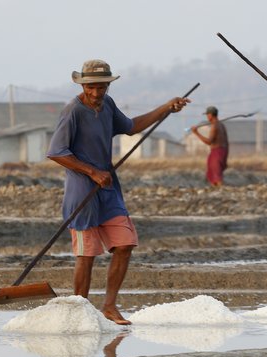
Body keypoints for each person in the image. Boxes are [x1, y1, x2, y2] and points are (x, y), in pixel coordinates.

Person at [48, 59, 190, 325]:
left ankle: (110, 307)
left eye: (101, 88)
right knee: (87, 255)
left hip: (108, 188)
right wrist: (91, 172)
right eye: (91, 87)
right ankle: (81, 312)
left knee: (124, 244)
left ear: (108, 87)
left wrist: (165, 109)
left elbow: (131, 127)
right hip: (83, 191)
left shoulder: (108, 105)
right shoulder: (73, 111)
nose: (96, 93)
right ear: (83, 85)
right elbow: (57, 152)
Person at [190, 105, 229, 187]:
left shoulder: (215, 126)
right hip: (223, 151)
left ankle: (220, 190)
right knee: (214, 174)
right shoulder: (222, 125)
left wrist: (196, 133)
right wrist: (225, 158)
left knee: (216, 176)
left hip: (216, 152)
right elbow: (227, 143)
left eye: (207, 115)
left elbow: (209, 141)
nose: (207, 117)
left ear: (210, 115)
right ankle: (217, 189)